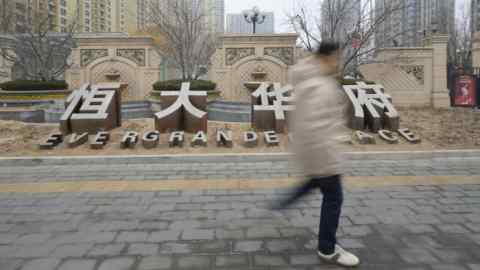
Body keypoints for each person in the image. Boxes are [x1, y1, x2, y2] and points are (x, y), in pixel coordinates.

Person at [272, 41, 360, 267]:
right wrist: (331, 157)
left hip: (314, 153)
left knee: (315, 182)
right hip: (324, 154)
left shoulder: (307, 80)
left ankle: (283, 201)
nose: (337, 63)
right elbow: (316, 127)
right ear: (325, 57)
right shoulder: (320, 86)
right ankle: (327, 249)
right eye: (336, 58)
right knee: (334, 197)